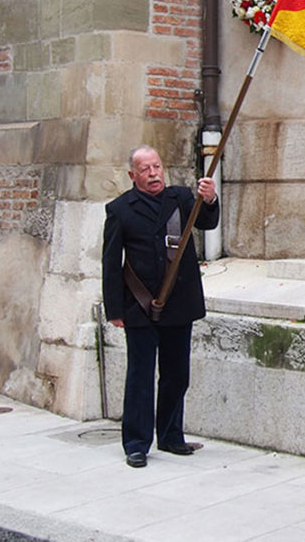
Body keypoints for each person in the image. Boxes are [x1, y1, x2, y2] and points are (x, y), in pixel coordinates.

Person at [101, 145, 219, 468]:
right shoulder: (120, 209)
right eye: (145, 169)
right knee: (140, 376)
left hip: (179, 304)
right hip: (139, 306)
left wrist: (209, 198)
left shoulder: (181, 198)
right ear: (132, 175)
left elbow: (207, 222)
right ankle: (137, 442)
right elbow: (111, 263)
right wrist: (114, 311)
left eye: (157, 166)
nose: (153, 173)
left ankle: (170, 435)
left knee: (176, 374)